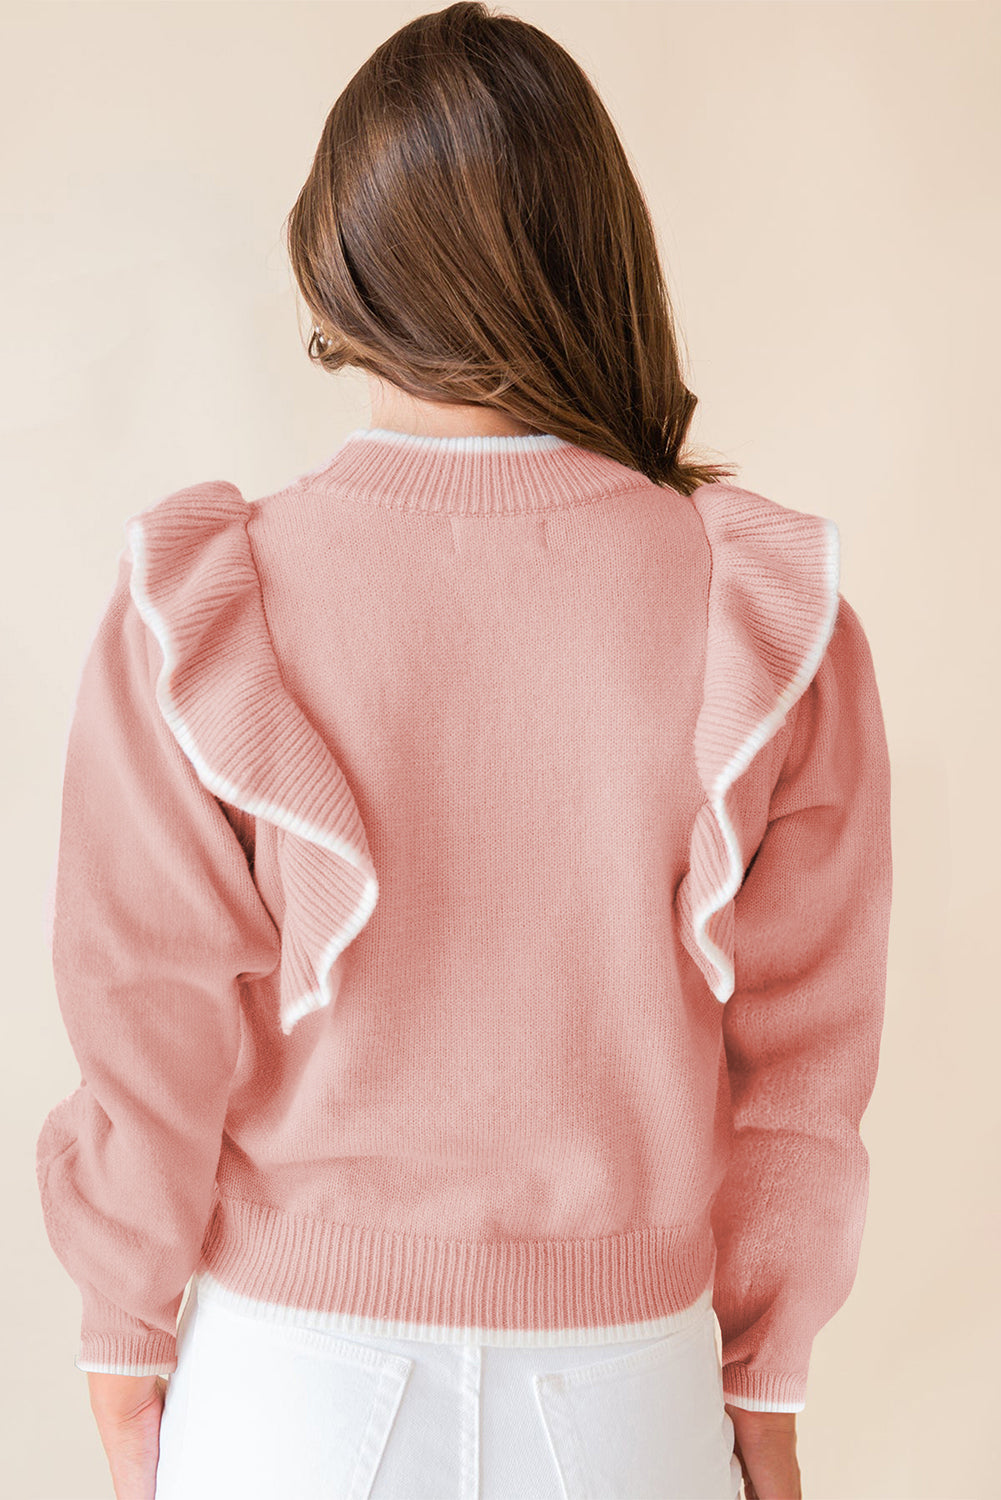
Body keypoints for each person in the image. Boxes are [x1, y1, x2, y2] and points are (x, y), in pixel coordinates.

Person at [35, 4, 893, 1498]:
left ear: (336, 270)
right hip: (627, 1383)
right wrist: (762, 1369)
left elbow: (145, 1006)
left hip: (285, 1384)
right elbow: (803, 1065)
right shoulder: (767, 614)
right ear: (600, 255)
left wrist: (122, 1334)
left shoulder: (204, 603)